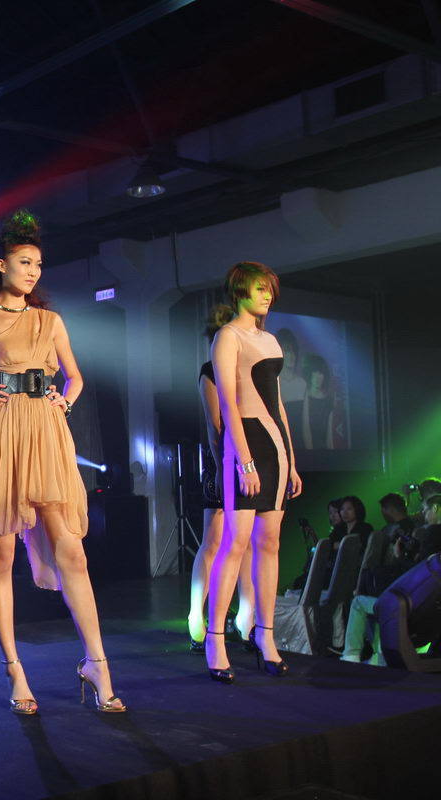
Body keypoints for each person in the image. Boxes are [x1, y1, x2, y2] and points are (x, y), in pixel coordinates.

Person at [0, 210, 125, 714]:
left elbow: (75, 377)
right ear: (2, 265)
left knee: (72, 552)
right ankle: (14, 669)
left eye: (38, 264)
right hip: (0, 434)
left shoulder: (49, 320)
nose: (34, 271)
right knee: (1, 557)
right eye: (24, 262)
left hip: (46, 433)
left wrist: (65, 401)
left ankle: (97, 663)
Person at [204, 261, 304, 683]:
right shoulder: (228, 336)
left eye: (270, 289)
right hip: (243, 443)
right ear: (240, 291)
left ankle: (266, 636)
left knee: (270, 542)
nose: (267, 296)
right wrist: (243, 460)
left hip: (275, 444)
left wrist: (291, 460)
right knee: (235, 542)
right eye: (260, 288)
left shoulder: (270, 339)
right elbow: (227, 402)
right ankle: (215, 638)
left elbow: (277, 403)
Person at [188, 312, 255, 652]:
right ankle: (196, 616)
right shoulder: (210, 371)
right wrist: (218, 467)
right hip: (224, 459)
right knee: (214, 541)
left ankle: (246, 618)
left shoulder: (248, 369)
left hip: (252, 457)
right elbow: (215, 426)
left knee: (246, 541)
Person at [342, 494, 441, 665]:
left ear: (435, 508)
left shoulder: (433, 533)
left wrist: (399, 556)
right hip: (431, 612)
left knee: (359, 602)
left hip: (413, 610)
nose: (423, 514)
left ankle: (352, 656)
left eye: (425, 510)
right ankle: (377, 654)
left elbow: (419, 574)